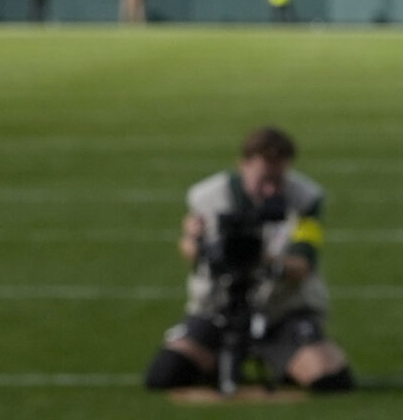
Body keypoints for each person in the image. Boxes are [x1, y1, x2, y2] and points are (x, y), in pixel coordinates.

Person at [143, 126, 353, 394]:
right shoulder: (208, 197)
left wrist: (263, 261)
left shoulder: (305, 200)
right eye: (264, 178)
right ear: (243, 165)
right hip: (219, 308)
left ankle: (288, 358)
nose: (269, 188)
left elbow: (303, 263)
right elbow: (189, 248)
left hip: (281, 310)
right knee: (165, 374)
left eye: (278, 179)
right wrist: (196, 242)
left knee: (330, 380)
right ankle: (220, 358)